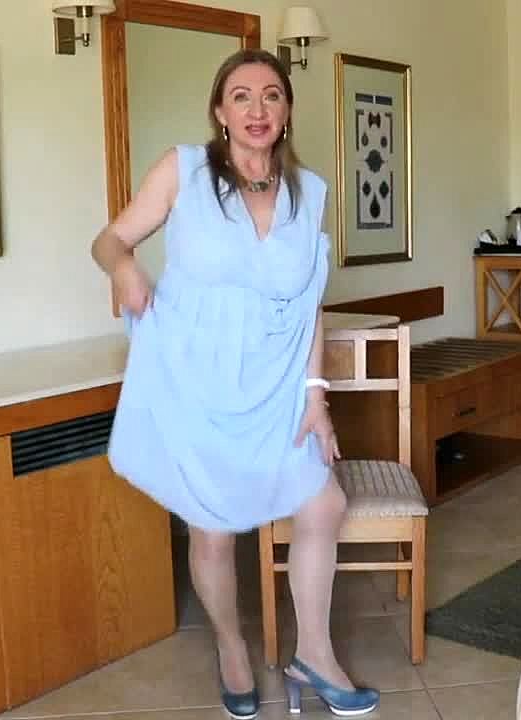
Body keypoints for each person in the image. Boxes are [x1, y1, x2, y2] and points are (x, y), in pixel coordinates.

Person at [90, 49, 380, 719]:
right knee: (213, 532)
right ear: (220, 111)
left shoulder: (309, 193)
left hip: (277, 386)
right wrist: (124, 268)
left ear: (287, 112)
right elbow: (108, 240)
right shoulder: (184, 170)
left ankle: (315, 654)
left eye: (272, 95)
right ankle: (231, 649)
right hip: (195, 379)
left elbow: (310, 305)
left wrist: (316, 396)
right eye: (242, 95)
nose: (257, 108)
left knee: (322, 504)